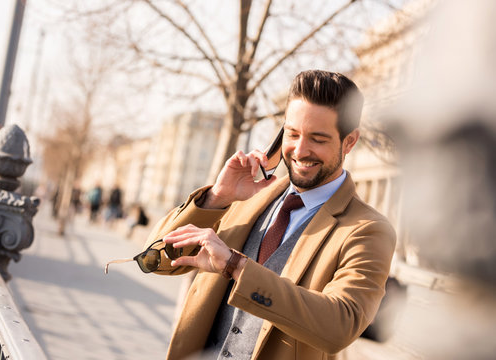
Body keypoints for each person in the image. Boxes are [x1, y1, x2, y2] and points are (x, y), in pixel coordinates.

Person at [143, 70, 396, 360]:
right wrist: (218, 197)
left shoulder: (367, 229)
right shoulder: (250, 195)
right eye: (293, 133)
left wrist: (236, 266)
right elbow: (155, 261)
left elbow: (340, 325)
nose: (300, 150)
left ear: (349, 142)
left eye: (318, 139)